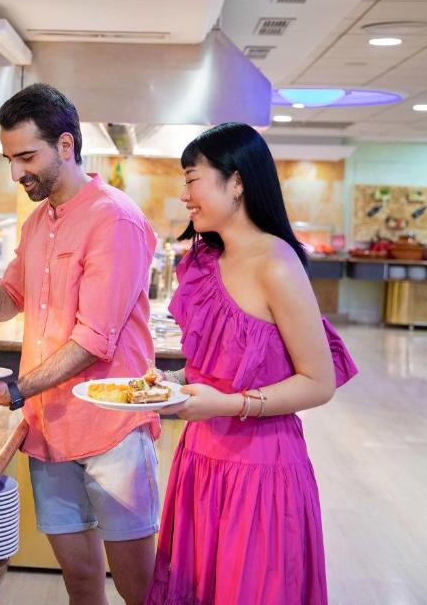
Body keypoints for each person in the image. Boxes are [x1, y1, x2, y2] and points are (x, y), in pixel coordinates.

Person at [0, 83, 159, 605]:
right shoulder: (40, 221)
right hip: (50, 427)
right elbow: (13, 291)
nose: (16, 173)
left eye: (26, 157)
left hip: (112, 429)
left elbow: (95, 338)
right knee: (79, 578)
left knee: (140, 588)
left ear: (65, 145)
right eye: (9, 160)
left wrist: (16, 389)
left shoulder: (115, 219)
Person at [146, 122, 358, 605]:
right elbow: (216, 367)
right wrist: (170, 382)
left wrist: (227, 404)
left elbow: (318, 382)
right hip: (200, 461)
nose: (184, 196)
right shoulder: (206, 261)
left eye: (192, 179)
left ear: (237, 181)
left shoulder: (276, 264)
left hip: (260, 471)